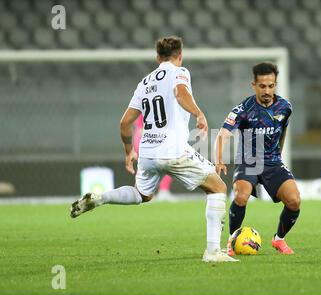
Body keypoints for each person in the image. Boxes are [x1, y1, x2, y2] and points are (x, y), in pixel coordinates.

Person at [70, 36, 237, 263]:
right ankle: (213, 252)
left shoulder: (144, 82)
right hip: (173, 149)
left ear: (158, 57)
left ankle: (100, 198)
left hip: (147, 151)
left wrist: (129, 151)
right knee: (217, 187)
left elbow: (125, 123)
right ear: (180, 56)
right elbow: (180, 93)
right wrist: (198, 112)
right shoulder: (180, 72)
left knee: (142, 194)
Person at [215, 62, 301, 256]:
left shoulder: (285, 107)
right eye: (262, 86)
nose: (267, 90)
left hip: (273, 162)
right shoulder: (243, 109)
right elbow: (222, 134)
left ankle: (279, 240)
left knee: (294, 200)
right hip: (249, 162)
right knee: (240, 196)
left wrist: (278, 152)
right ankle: (231, 241)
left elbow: (283, 129)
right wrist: (219, 160)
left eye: (271, 86)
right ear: (253, 85)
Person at [133, 114, 175, 201]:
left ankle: (161, 191)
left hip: (150, 138)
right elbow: (141, 128)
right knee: (147, 166)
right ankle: (144, 193)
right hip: (146, 138)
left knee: (166, 163)